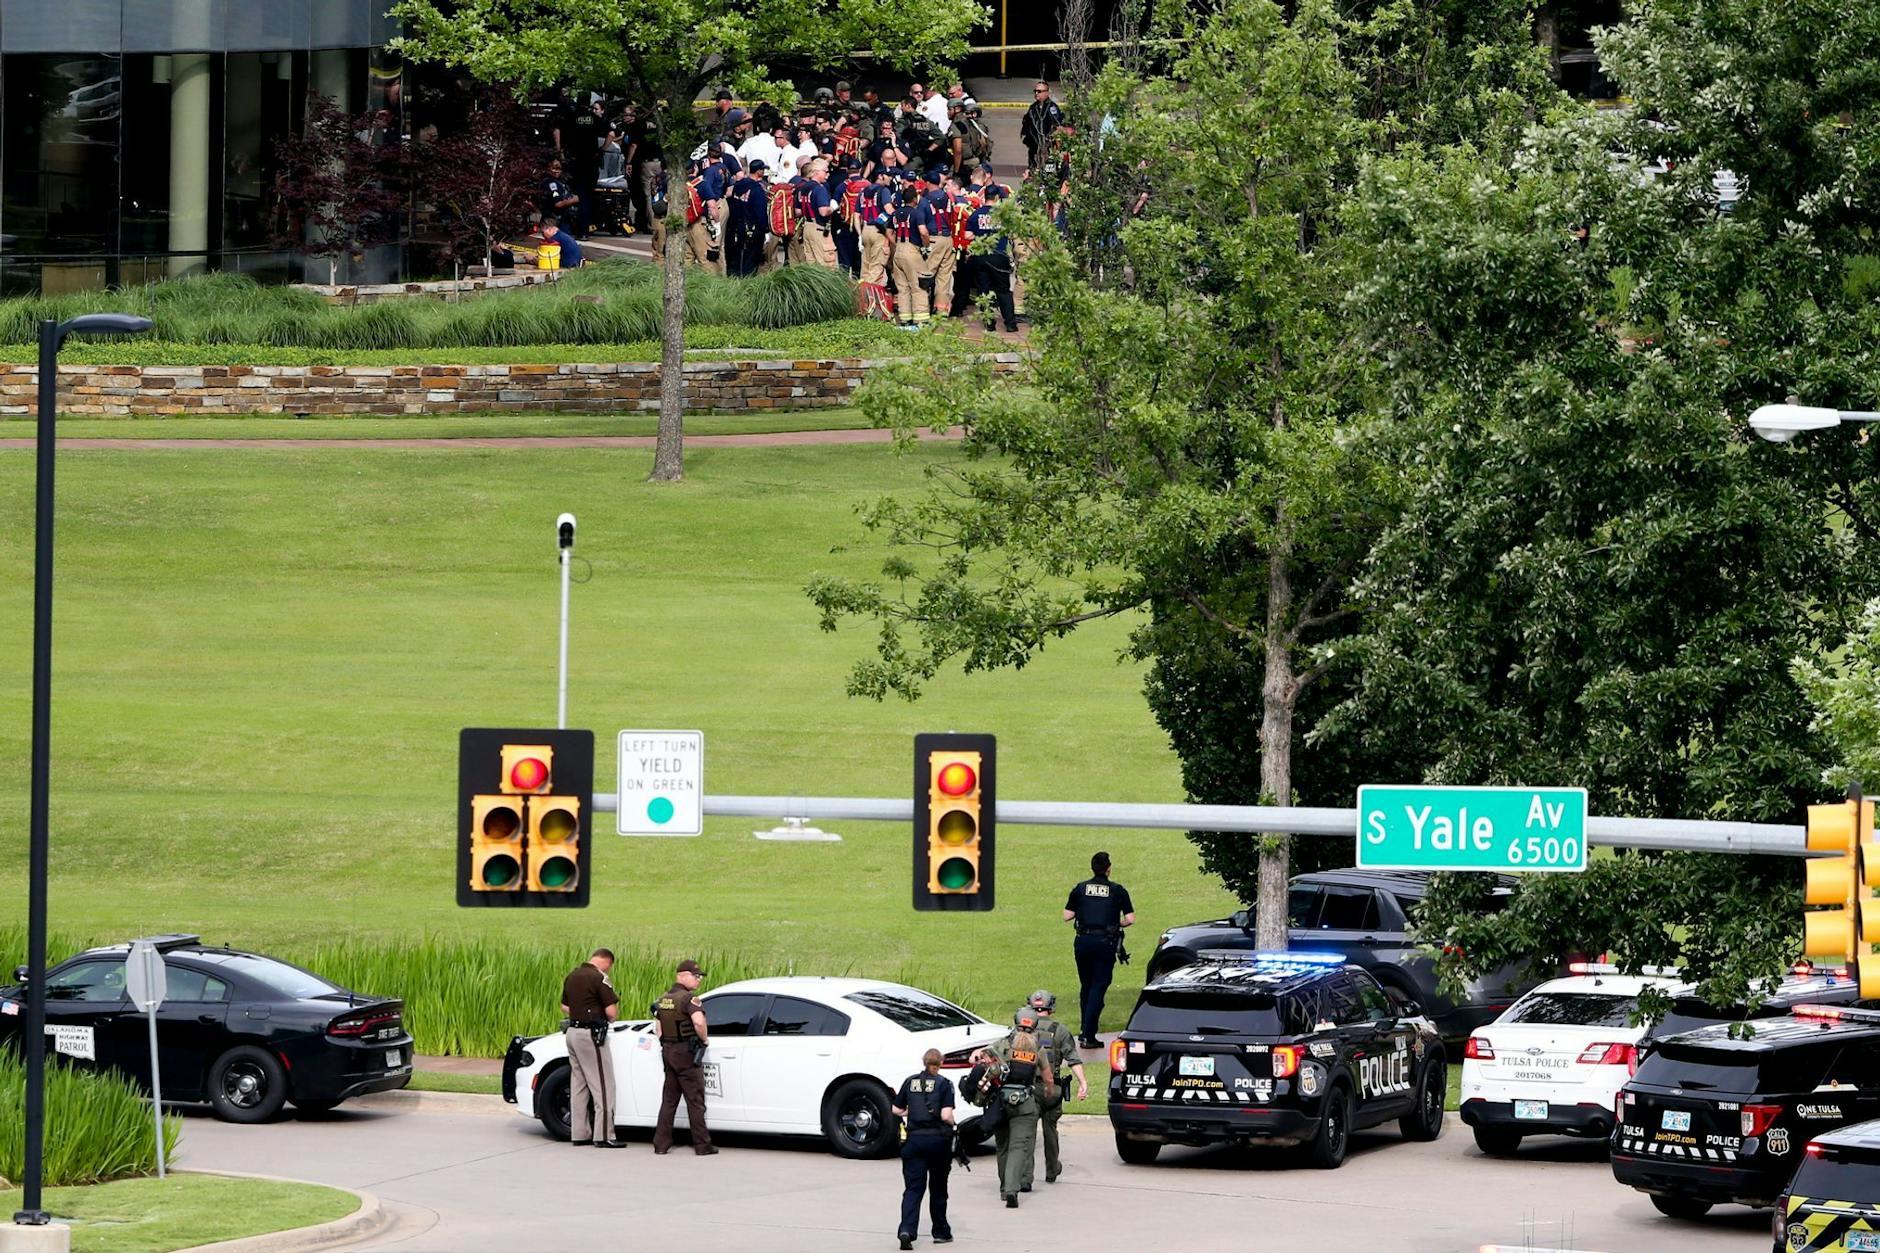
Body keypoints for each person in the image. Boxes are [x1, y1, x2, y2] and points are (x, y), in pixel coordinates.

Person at [1012, 991, 1087, 1185]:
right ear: (1051, 1007)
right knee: (1050, 1130)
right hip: (1052, 1089)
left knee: (1028, 1132)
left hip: (1029, 1089)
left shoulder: (1021, 1030)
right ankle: (1052, 1169)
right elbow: (1073, 1059)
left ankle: (1026, 1178)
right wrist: (1083, 1083)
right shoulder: (1060, 1030)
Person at [1065, 851, 1135, 1048]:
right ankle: (1088, 1035)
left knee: (1086, 986)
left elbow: (1067, 915)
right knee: (1098, 987)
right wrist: (1115, 923)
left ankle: (1083, 1031)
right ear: (1109, 869)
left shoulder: (1080, 889)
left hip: (1083, 941)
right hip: (1105, 943)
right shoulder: (1117, 890)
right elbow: (1130, 919)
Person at [560, 948, 626, 1148]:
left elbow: (564, 1006)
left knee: (579, 1083)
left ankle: (579, 1133)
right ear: (607, 962)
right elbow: (612, 1012)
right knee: (603, 1085)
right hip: (591, 1035)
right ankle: (604, 1135)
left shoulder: (572, 975)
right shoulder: (599, 978)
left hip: (572, 1033)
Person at [891, 1047, 956, 1250]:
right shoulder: (944, 1084)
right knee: (938, 1188)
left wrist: (913, 1110)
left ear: (924, 1062)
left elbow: (896, 1109)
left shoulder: (911, 1081)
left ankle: (906, 1230)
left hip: (913, 1141)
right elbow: (946, 1115)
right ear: (941, 1063)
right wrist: (953, 1123)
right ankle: (941, 1232)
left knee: (913, 1189)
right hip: (937, 1142)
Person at [652, 959, 717, 1155]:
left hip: (668, 1051)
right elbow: (698, 1022)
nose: (699, 980)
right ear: (682, 976)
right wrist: (704, 1040)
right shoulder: (689, 999)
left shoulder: (663, 999)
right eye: (695, 976)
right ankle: (703, 1145)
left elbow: (658, 1028)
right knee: (695, 1101)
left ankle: (660, 1145)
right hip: (686, 1053)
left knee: (669, 1100)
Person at [987, 1030, 1055, 1207]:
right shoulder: (1037, 1052)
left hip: (1001, 1104)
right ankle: (1012, 1189)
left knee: (1002, 1147)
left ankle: (1003, 1188)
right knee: (1018, 1148)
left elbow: (984, 1060)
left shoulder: (1003, 1049)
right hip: (1024, 1105)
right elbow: (1048, 1077)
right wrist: (1049, 1090)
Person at [724, 159, 771, 277]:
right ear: (759, 172)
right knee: (751, 259)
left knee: (736, 257)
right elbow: (760, 211)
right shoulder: (757, 189)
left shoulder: (737, 186)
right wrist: (764, 228)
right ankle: (747, 283)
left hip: (735, 226)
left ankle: (733, 281)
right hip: (752, 227)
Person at [1021, 82, 1064, 173]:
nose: (1036, 93)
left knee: (1049, 173)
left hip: (1048, 148)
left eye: (1039, 91)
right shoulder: (1033, 108)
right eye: (1035, 91)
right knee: (1032, 172)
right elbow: (1027, 124)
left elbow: (1058, 125)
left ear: (1047, 93)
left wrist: (1050, 141)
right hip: (1034, 148)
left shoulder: (1052, 108)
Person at [541, 157, 580, 223]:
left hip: (564, 219)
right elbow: (558, 204)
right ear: (548, 169)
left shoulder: (560, 182)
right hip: (554, 220)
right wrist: (575, 199)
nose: (556, 171)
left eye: (559, 169)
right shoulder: (551, 183)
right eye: (553, 168)